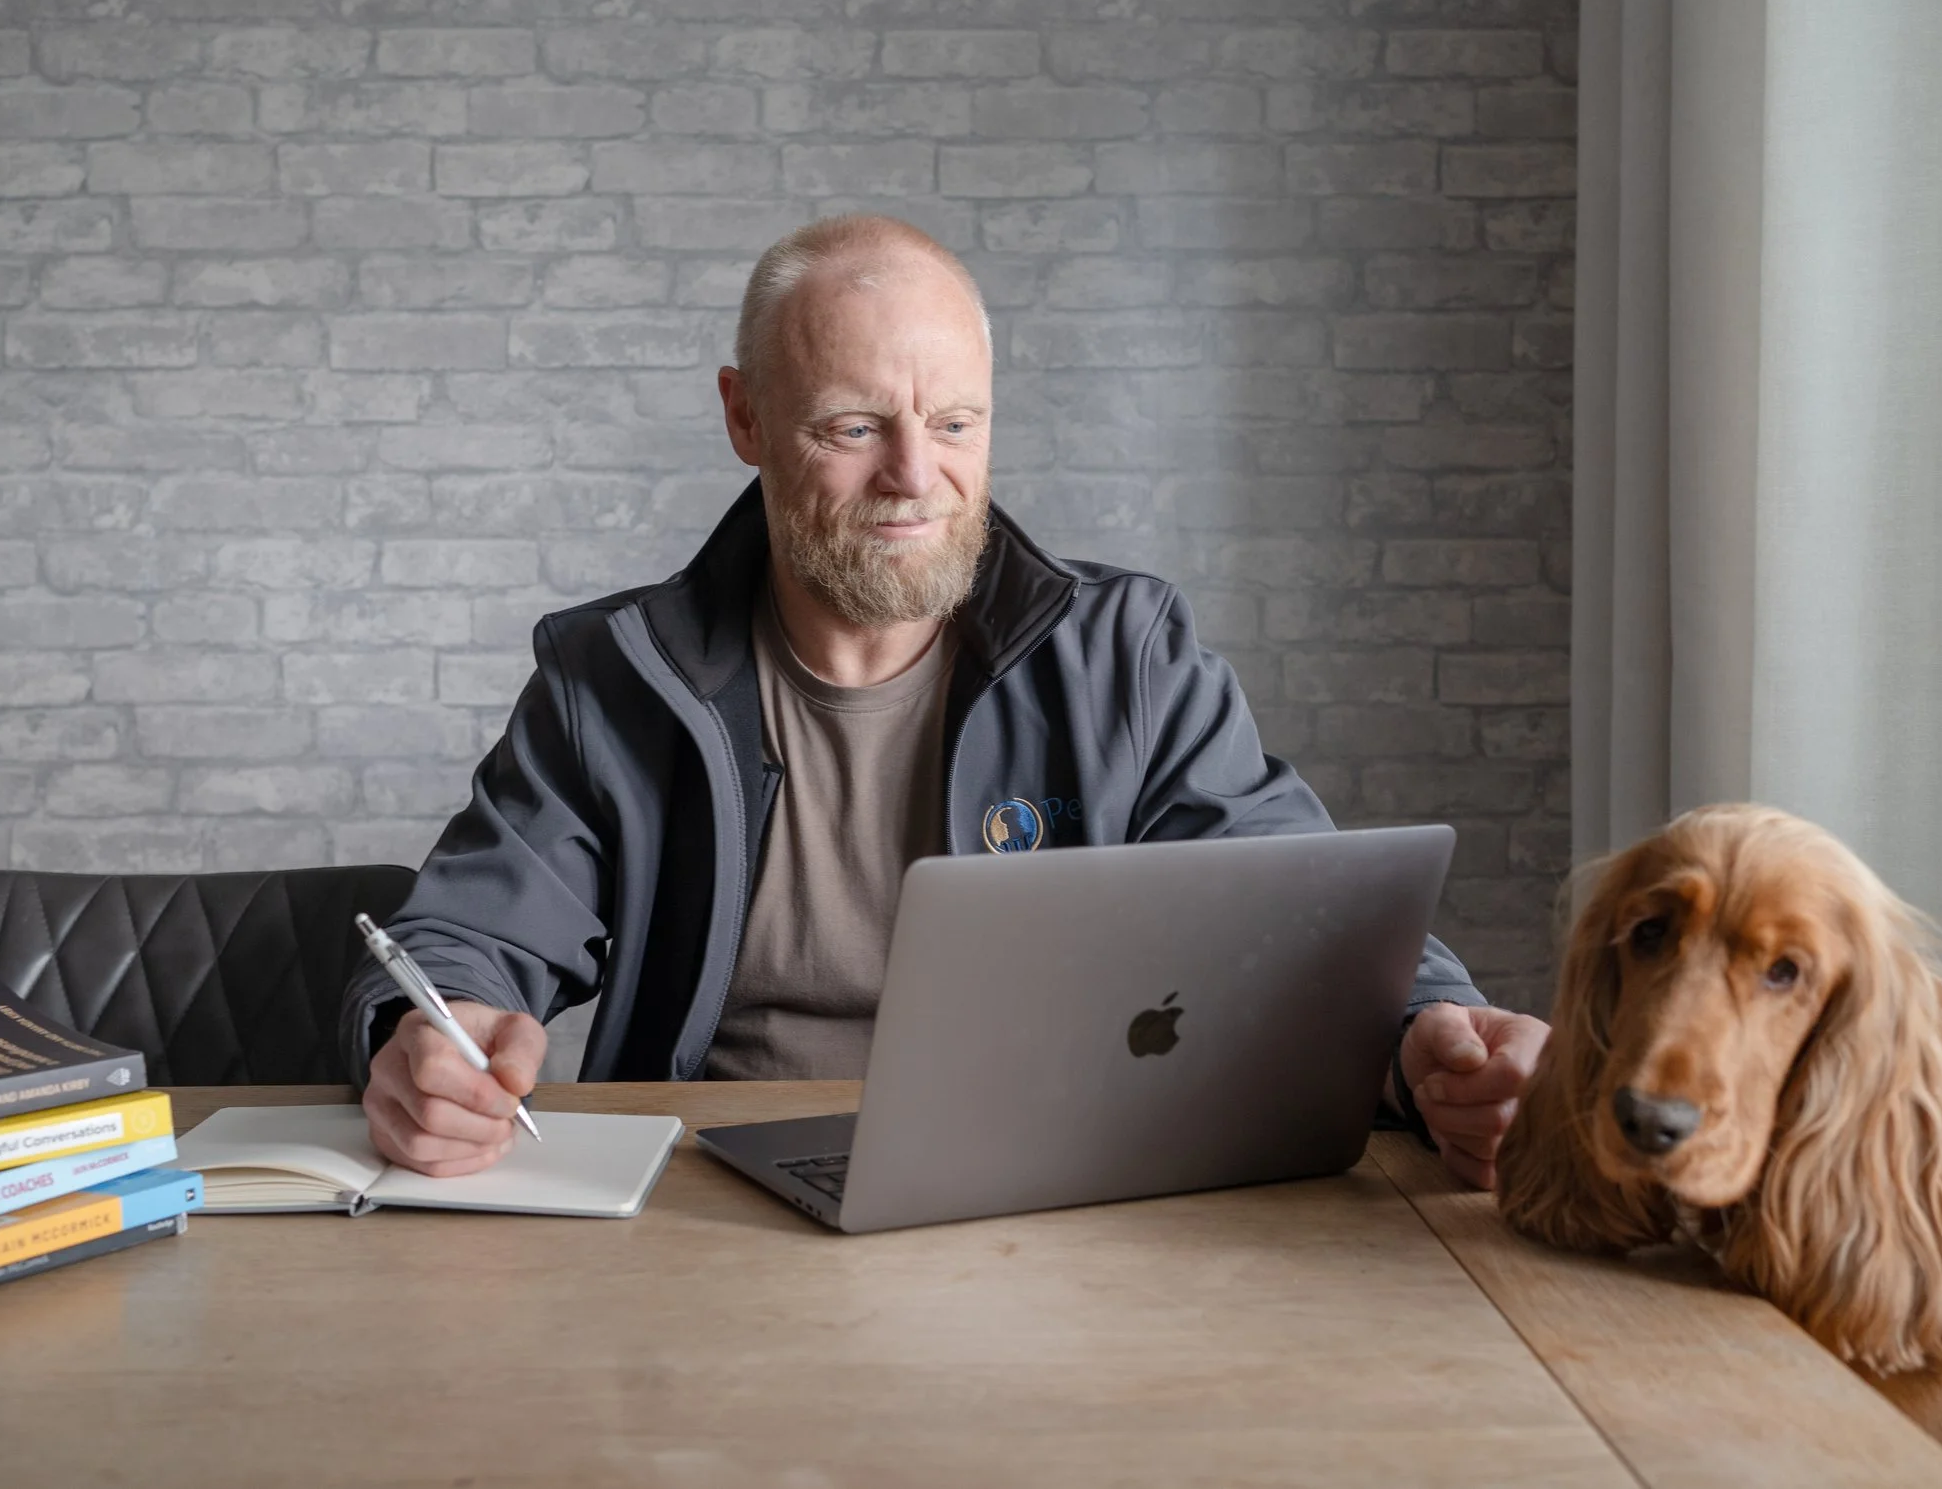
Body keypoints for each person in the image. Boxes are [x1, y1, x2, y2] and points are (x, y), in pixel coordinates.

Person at [347, 214, 1548, 1190]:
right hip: (711, 1204)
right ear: (746, 418)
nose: (915, 475)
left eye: (955, 421)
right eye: (854, 425)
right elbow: (469, 932)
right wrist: (432, 1036)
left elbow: (1306, 918)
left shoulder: (1125, 653)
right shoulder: (614, 677)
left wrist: (1432, 1032)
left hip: (1064, 1194)